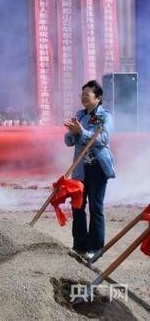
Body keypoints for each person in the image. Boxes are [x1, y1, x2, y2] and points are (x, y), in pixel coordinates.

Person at [63, 80, 115, 259]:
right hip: (80, 168)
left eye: (88, 94)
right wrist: (71, 133)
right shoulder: (80, 115)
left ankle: (95, 248)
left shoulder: (105, 116)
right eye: (82, 94)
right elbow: (69, 142)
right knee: (77, 205)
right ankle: (79, 246)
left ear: (98, 98)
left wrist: (82, 132)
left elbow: (104, 139)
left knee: (95, 207)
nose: (84, 97)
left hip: (97, 168)